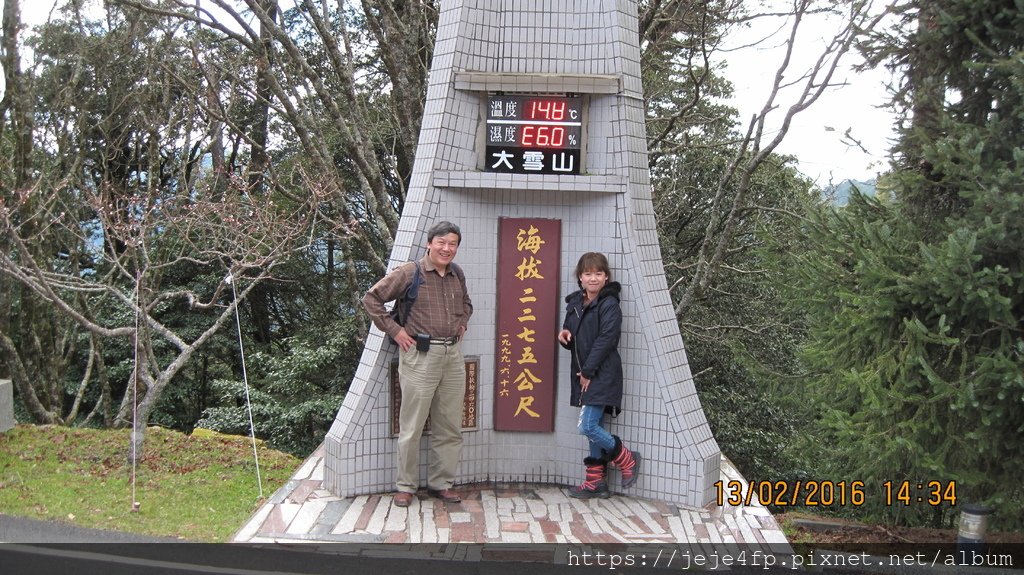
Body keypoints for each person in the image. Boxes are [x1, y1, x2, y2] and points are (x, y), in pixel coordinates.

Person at [363, 221, 473, 507]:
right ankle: (405, 486)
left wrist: (462, 322)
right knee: (411, 425)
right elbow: (372, 299)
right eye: (442, 243)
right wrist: (395, 331)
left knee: (449, 425)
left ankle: (442, 483)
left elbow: (467, 304)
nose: (447, 249)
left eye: (452, 244)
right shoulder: (410, 273)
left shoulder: (457, 274)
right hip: (419, 355)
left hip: (452, 355)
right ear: (429, 243)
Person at [557, 252, 640, 498]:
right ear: (580, 277)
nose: (593, 278)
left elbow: (607, 340)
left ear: (606, 277)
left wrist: (589, 371)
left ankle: (626, 458)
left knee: (588, 426)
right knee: (595, 425)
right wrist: (564, 337)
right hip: (584, 373)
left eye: (598, 273)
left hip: (601, 373)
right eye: (588, 273)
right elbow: (573, 336)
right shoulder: (575, 304)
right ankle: (596, 482)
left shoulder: (609, 304)